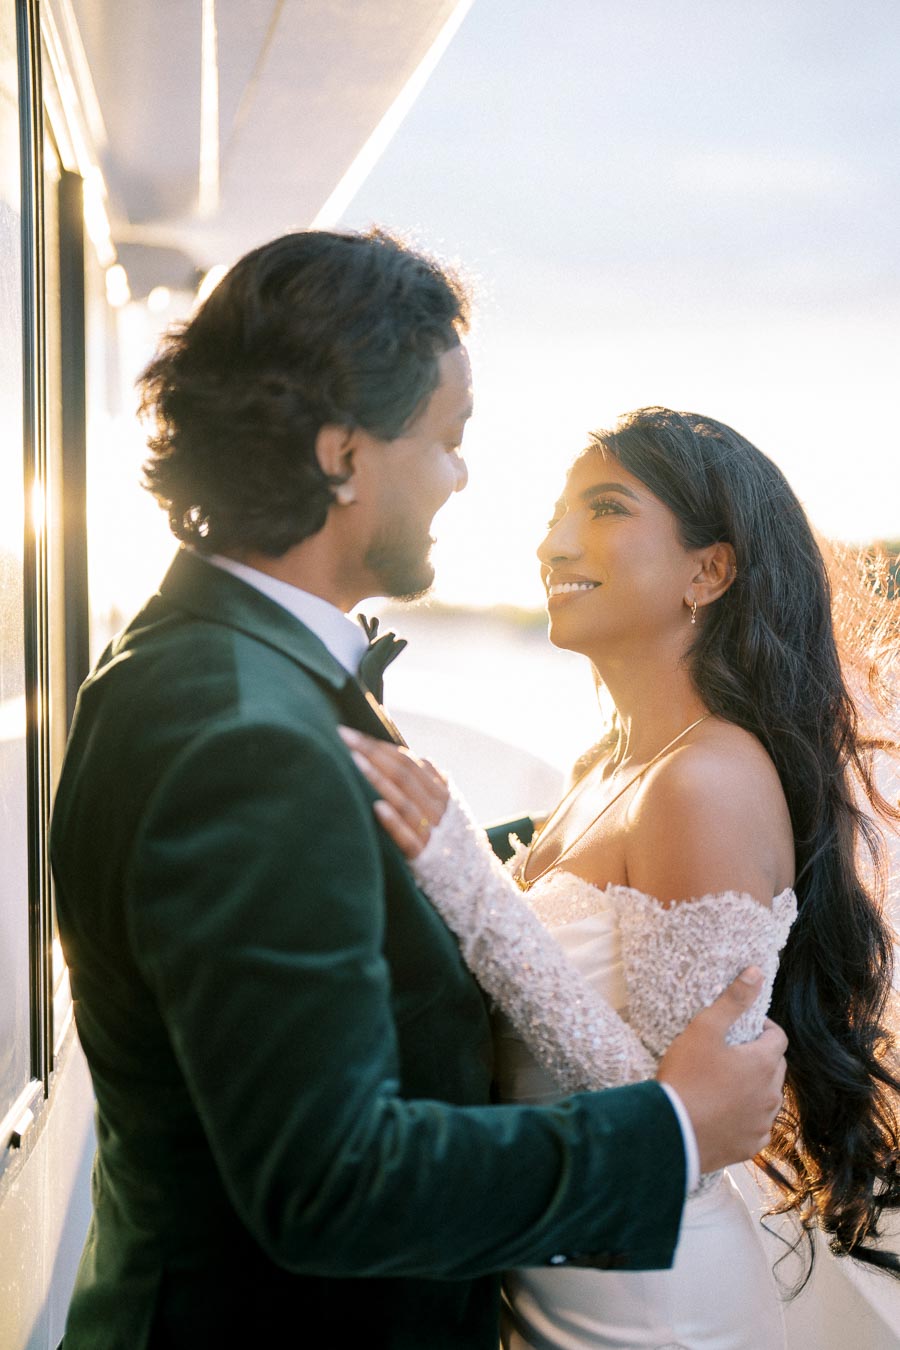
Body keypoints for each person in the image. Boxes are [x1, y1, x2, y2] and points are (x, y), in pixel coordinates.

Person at [50, 236, 787, 1350]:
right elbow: (335, 1182)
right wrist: (673, 1131)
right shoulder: (247, 735)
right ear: (343, 456)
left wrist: (545, 850)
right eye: (448, 440)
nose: (461, 478)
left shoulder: (208, 664)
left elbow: (328, 890)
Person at [344, 406, 900, 1349]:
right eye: (556, 515)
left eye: (604, 509)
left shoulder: (707, 781)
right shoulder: (602, 766)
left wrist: (465, 875)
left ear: (708, 571)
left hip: (653, 1306)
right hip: (559, 1259)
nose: (553, 543)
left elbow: (682, 1114)